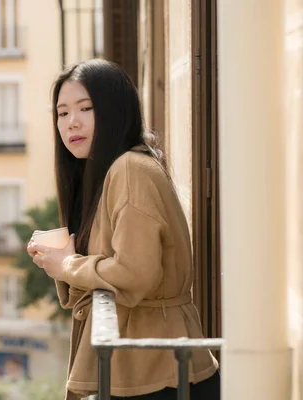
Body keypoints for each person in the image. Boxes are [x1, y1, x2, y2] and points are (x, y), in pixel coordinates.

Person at [26, 59, 220, 400]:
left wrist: (69, 265)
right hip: (146, 368)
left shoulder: (130, 169)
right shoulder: (109, 173)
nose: (72, 122)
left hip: (157, 372)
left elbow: (135, 273)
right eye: (62, 113)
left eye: (86, 108)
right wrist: (59, 260)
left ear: (115, 110)